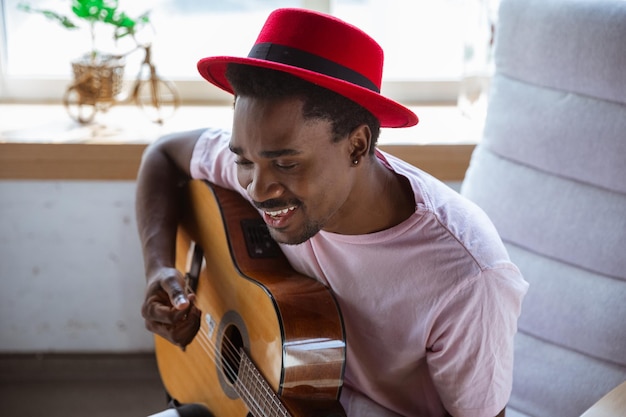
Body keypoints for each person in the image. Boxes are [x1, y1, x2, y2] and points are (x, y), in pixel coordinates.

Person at [136, 7, 528, 417]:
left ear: (357, 146)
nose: (255, 188)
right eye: (244, 161)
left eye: (286, 164)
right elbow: (162, 155)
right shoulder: (265, 164)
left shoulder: (468, 277)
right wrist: (159, 269)